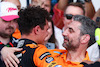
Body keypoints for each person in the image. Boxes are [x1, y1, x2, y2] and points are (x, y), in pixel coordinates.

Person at [0, 2, 22, 67]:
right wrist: (1, 49)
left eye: (15, 20)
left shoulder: (19, 44)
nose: (11, 24)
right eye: (6, 20)